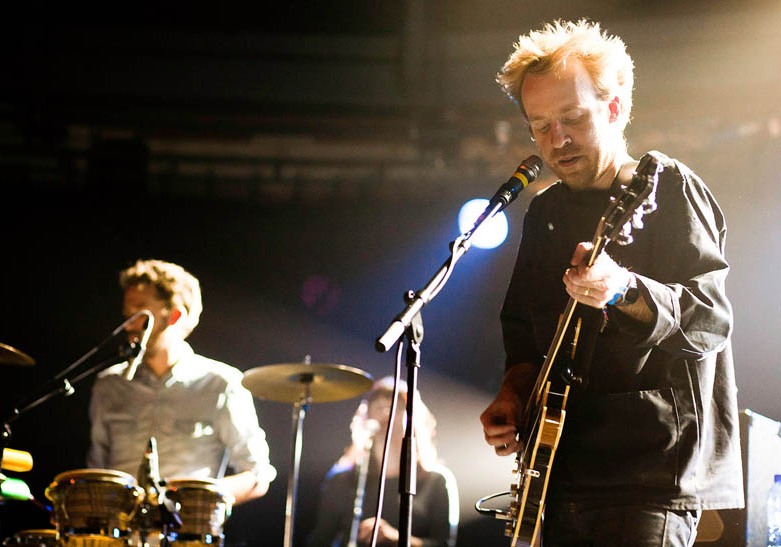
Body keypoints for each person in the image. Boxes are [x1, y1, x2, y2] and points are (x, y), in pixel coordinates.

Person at [479, 20, 744, 546]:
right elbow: (524, 333)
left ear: (615, 108)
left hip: (649, 474)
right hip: (557, 473)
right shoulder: (543, 213)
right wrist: (513, 392)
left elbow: (711, 318)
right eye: (540, 126)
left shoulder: (667, 188)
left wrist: (624, 288)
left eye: (572, 118)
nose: (557, 140)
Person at [87, 259, 276, 504]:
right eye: (127, 314)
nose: (129, 324)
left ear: (174, 316)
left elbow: (257, 474)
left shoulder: (221, 384)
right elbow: (96, 471)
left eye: (140, 312)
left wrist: (198, 499)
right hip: (117, 536)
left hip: (186, 536)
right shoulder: (109, 384)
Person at [308, 376, 458, 547]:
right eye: (378, 407)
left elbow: (444, 544)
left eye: (396, 406)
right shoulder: (343, 480)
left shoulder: (436, 481)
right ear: (366, 417)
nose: (386, 412)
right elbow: (320, 540)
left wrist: (395, 538)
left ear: (412, 419)